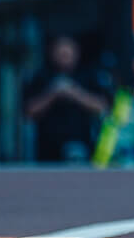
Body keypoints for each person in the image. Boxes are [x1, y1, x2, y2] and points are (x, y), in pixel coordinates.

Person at [22, 35, 110, 163]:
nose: (64, 55)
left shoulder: (88, 76)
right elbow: (29, 111)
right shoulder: (41, 77)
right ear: (52, 52)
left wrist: (75, 93)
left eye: (68, 52)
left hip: (81, 146)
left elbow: (102, 107)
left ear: (76, 52)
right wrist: (53, 93)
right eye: (60, 52)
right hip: (47, 149)